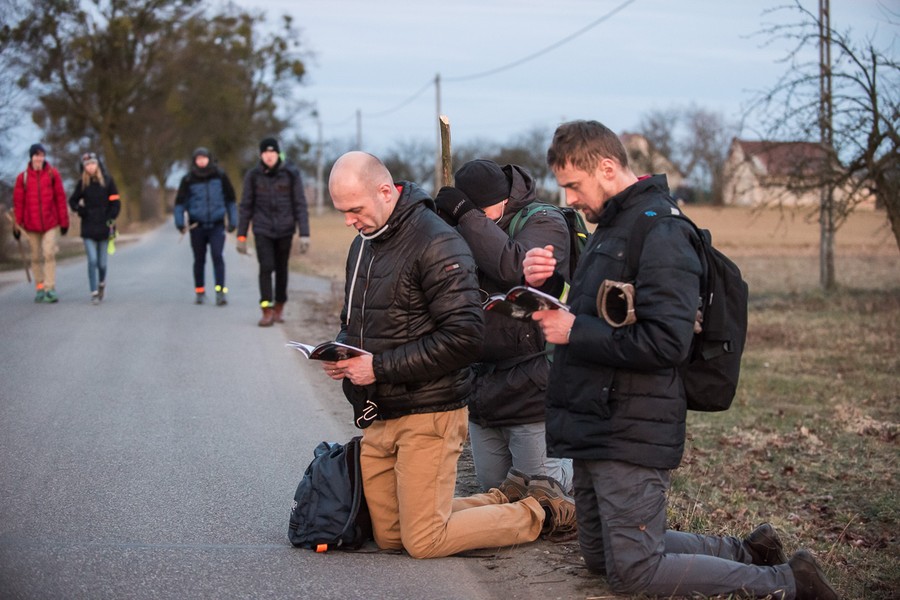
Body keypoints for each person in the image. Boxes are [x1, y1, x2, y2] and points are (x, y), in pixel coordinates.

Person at [522, 120, 839, 599]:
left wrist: (574, 331)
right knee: (600, 556)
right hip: (594, 419)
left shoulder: (662, 231)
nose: (568, 199)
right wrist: (544, 287)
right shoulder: (613, 228)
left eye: (573, 185)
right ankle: (748, 551)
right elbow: (595, 314)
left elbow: (667, 342)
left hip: (630, 424)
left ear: (606, 168)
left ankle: (791, 582)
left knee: (634, 573)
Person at [321, 151, 576, 559]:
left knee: (422, 540)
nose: (349, 220)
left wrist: (378, 366)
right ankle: (503, 499)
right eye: (342, 211)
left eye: (354, 209)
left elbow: (463, 336)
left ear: (385, 191)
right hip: (380, 408)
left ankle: (538, 510)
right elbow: (355, 320)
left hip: (430, 406)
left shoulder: (437, 241)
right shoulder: (362, 246)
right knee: (390, 536)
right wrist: (342, 349)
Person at [434, 158, 574, 496]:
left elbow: (514, 265)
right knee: (495, 490)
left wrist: (467, 217)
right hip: (483, 384)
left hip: (532, 381)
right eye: (473, 212)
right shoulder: (468, 224)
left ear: (504, 198)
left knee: (542, 492)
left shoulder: (545, 219)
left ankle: (590, 473)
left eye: (482, 211)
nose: (479, 218)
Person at [237, 137, 310, 326]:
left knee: (281, 269)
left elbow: (300, 204)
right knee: (266, 267)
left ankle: (279, 306)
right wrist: (241, 235)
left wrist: (304, 233)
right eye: (265, 152)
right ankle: (266, 309)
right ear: (261, 155)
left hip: (285, 229)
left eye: (272, 152)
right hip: (262, 229)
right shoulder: (253, 176)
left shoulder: (291, 175)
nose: (269, 156)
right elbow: (246, 206)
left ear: (278, 154)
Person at [174, 147, 238, 306]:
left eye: (204, 158)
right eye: (198, 159)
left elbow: (231, 200)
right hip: (197, 226)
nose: (201, 161)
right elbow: (179, 203)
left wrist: (233, 220)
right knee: (199, 259)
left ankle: (220, 291)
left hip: (217, 225)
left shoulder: (220, 176)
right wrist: (180, 222)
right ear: (194, 161)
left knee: (217, 256)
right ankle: (200, 291)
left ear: (209, 159)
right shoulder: (188, 180)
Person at [12, 143, 69, 303]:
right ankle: (40, 287)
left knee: (49, 253)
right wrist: (17, 225)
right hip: (31, 225)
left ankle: (50, 288)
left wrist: (64, 222)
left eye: (42, 155)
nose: (39, 158)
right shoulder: (22, 178)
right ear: (31, 157)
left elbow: (60, 198)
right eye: (36, 155)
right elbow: (19, 204)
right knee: (36, 257)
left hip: (50, 222)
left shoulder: (52, 174)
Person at [67, 152, 121, 304]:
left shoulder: (108, 182)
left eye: (93, 163)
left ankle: (102, 283)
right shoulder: (82, 184)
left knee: (102, 264)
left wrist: (111, 216)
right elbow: (73, 201)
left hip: (104, 227)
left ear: (97, 164)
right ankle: (94, 292)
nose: (90, 167)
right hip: (88, 227)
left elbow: (116, 202)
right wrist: (81, 210)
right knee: (92, 260)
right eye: (87, 165)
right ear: (84, 167)